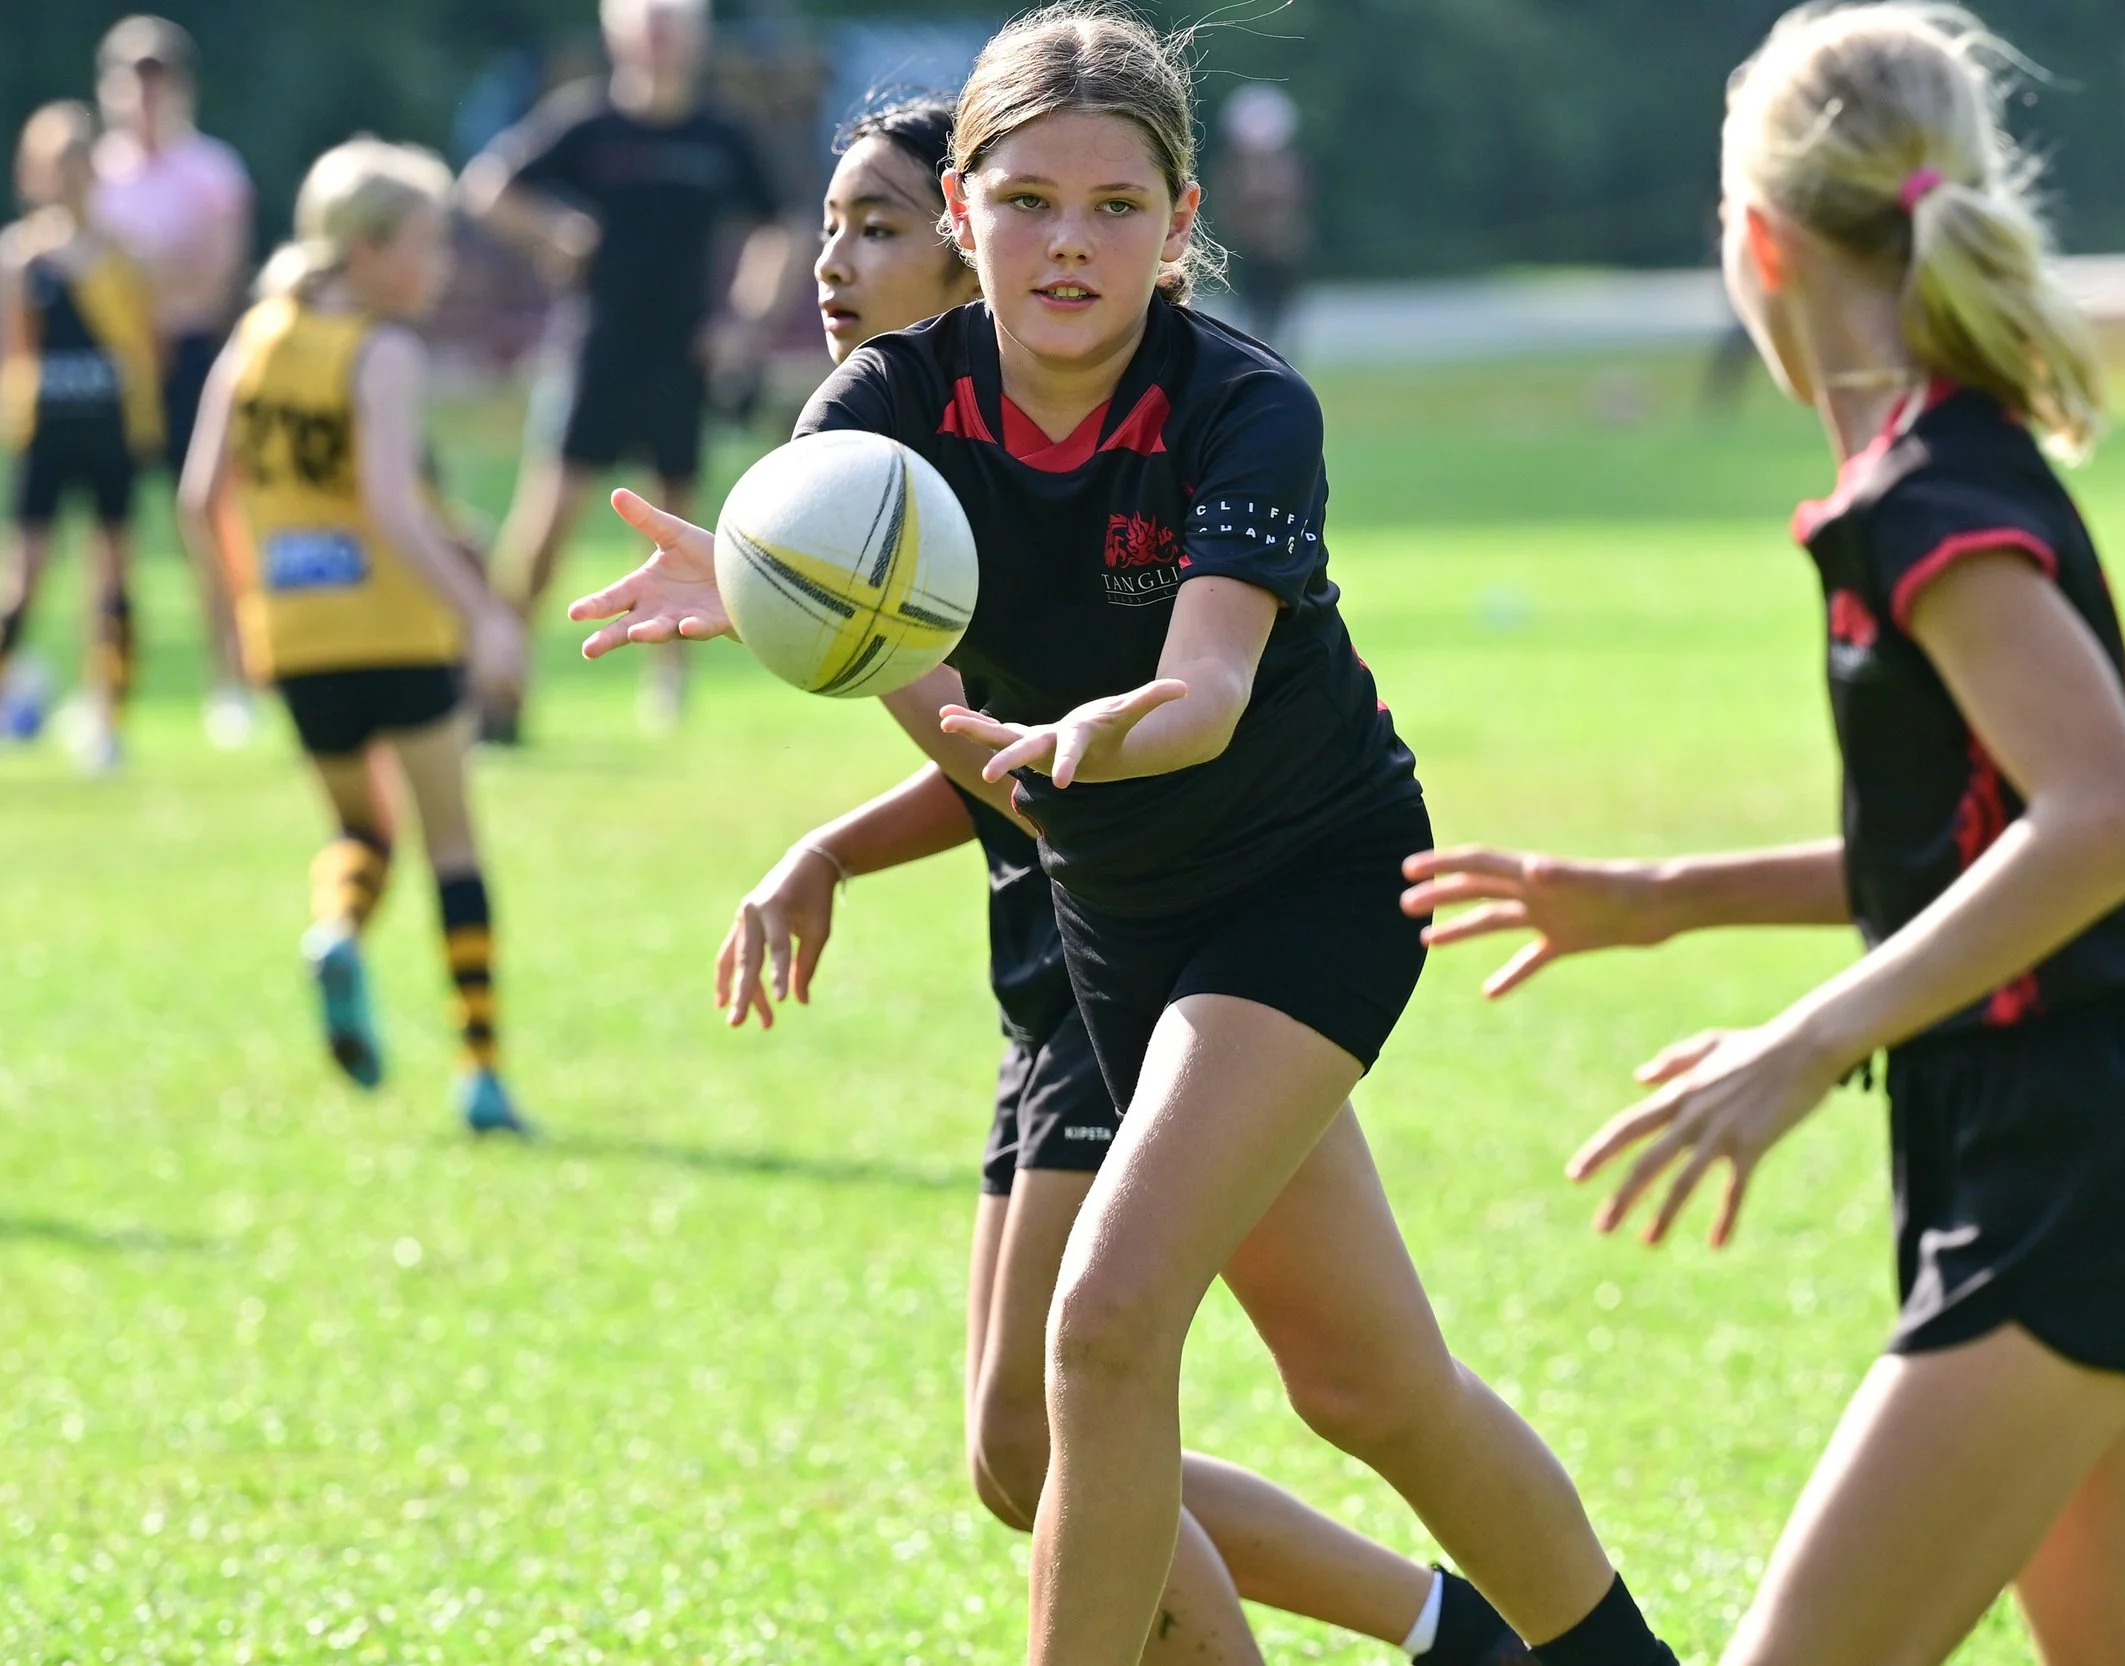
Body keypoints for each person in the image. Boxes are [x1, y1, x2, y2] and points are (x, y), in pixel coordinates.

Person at [572, 9, 1687, 1664]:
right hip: (1124, 923)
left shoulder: (1241, 402)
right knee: (1368, 1385)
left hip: (1308, 880)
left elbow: (1214, 687)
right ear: (964, 213)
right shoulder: (874, 420)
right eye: (1028, 202)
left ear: (1180, 225)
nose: (1070, 244)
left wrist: (1107, 732)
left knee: (1100, 1329)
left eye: (1116, 207)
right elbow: (928, 698)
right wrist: (783, 603)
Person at [1401, 7, 2125, 1664]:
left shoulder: (1923, 501)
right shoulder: (1928, 474)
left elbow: (2103, 821)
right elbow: (1986, 836)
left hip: (2066, 1159)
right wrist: (1663, 899)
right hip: (2074, 1136)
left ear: (1760, 240)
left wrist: (1801, 1045)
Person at [178, 137, 533, 1137]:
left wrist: (244, 614)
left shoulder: (254, 338)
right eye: (426, 243)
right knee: (451, 843)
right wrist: (484, 616)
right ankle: (482, 1072)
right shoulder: (380, 348)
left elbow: (202, 497)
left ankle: (337, 930)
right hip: (396, 629)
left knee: (361, 831)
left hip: (295, 639)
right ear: (368, 247)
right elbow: (385, 504)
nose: (441, 266)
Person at [460, 0, 799, 739]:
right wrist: (552, 231)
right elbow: (487, 187)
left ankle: (667, 684)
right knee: (544, 526)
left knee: (674, 525)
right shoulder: (587, 123)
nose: (659, 44)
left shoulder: (720, 134)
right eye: (646, 29)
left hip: (683, 357)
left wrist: (744, 320)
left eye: (672, 29)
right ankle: (500, 676)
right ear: (619, 38)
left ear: (696, 40)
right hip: (596, 351)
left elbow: (782, 223)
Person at [89, 13, 257, 741]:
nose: (145, 99)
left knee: (205, 519)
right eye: (132, 84)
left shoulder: (213, 172)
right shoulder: (93, 175)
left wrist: (140, 280)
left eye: (158, 84)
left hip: (191, 362)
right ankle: (107, 698)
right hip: (114, 372)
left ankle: (233, 682)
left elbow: (214, 284)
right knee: (108, 538)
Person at [0, 101, 161, 772]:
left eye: (79, 163)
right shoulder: (20, 258)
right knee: (26, 574)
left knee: (112, 575)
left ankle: (108, 716)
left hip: (108, 430)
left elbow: (147, 349)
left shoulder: (123, 255)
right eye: (55, 165)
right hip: (47, 433)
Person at [1211, 84, 1312, 351]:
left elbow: (1293, 205)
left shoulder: (1287, 167)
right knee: (1251, 314)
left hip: (1278, 256)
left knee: (1280, 316)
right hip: (1250, 252)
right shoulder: (1235, 172)